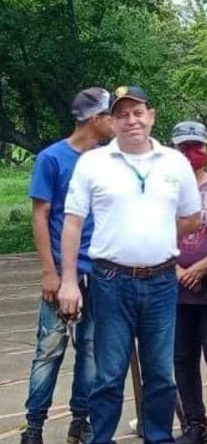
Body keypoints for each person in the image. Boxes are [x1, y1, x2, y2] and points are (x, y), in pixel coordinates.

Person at [56, 86, 202, 444]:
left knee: (161, 375)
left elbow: (192, 217)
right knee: (108, 375)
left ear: (152, 115)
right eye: (121, 114)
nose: (131, 120)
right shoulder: (93, 163)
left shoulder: (174, 162)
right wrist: (69, 281)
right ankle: (100, 438)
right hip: (111, 282)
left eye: (138, 112)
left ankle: (158, 437)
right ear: (111, 120)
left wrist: (152, 235)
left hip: (162, 281)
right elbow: (72, 222)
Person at [21, 87, 113, 444]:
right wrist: (50, 271)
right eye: (110, 115)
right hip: (62, 271)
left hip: (100, 269)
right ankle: (34, 426)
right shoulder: (52, 159)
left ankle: (81, 417)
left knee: (91, 348)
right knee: (49, 348)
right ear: (96, 119)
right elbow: (41, 217)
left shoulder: (108, 159)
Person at [170, 121, 207, 444]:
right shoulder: (164, 190)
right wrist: (179, 270)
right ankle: (194, 424)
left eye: (197, 146)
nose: (191, 153)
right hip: (175, 288)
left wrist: (205, 266)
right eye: (183, 148)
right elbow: (152, 234)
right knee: (182, 358)